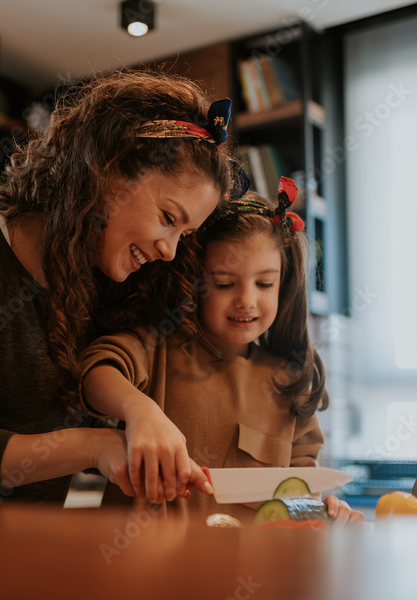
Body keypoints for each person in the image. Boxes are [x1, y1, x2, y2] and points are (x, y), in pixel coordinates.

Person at [0, 69, 233, 502]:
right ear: (108, 171)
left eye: (183, 235)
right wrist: (96, 448)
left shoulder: (98, 278)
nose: (170, 250)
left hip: (18, 550)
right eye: (169, 218)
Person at [79, 177, 364, 525]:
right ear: (194, 281)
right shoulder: (160, 347)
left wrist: (327, 514)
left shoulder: (289, 386)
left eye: (264, 283)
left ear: (283, 286)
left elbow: (300, 502)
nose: (247, 300)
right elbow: (95, 370)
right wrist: (141, 410)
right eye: (225, 283)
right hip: (140, 565)